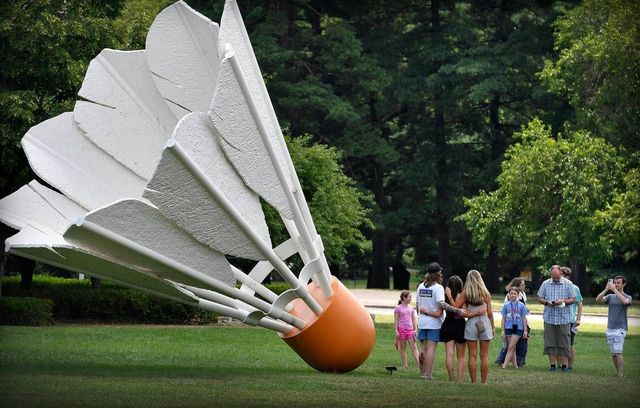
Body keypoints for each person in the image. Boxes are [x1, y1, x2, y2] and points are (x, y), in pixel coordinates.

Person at [451, 269, 494, 384]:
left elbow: (456, 307)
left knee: (472, 355)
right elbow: (490, 313)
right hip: (484, 322)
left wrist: (450, 297)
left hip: (471, 323)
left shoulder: (466, 293)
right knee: (484, 355)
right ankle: (483, 383)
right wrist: (493, 327)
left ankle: (473, 382)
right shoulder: (486, 293)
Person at [537, 265, 576, 372]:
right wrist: (547, 302)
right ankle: (552, 365)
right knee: (550, 342)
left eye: (557, 277)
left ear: (561, 274)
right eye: (553, 277)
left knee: (564, 342)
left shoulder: (568, 284)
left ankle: (564, 366)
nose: (555, 279)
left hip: (563, 318)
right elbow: (539, 297)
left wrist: (562, 301)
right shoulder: (545, 283)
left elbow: (573, 299)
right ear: (551, 275)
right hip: (549, 317)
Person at [596, 276, 632, 378]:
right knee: (613, 353)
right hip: (610, 328)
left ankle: (620, 374)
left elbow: (625, 302)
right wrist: (607, 289)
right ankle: (617, 373)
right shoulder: (611, 297)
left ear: (623, 284)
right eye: (615, 282)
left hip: (620, 328)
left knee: (618, 351)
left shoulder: (627, 297)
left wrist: (615, 290)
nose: (616, 284)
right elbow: (598, 299)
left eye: (618, 283)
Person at [416, 262, 445, 379]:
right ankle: (428, 374)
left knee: (423, 349)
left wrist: (424, 311)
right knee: (431, 348)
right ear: (438, 273)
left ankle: (422, 372)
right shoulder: (438, 288)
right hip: (434, 323)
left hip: (422, 322)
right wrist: (429, 312)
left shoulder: (420, 286)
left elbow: (418, 305)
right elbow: (439, 312)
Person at [495, 277, 529, 367]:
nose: (513, 295)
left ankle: (504, 365)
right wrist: (502, 330)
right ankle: (515, 366)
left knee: (510, 346)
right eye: (511, 294)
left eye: (515, 294)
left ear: (518, 295)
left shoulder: (521, 305)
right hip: (508, 327)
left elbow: (524, 318)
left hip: (517, 327)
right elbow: (503, 319)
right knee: (512, 347)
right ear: (509, 295)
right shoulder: (506, 305)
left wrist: (525, 331)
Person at [440, 275, 466, 382]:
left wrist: (449, 296)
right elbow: (463, 312)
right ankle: (459, 380)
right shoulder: (463, 296)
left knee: (449, 354)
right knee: (461, 356)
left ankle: (451, 379)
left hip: (448, 324)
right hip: (460, 325)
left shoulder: (445, 296)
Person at [560, 266, 583, 371]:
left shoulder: (574, 288)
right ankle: (560, 365)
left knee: (570, 344)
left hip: (570, 320)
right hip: (558, 319)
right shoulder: (556, 286)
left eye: (562, 275)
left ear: (567, 276)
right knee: (559, 343)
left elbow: (579, 304)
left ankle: (570, 366)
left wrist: (578, 319)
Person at [394, 290, 420, 368]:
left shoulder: (411, 308)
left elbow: (414, 319)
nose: (411, 299)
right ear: (404, 298)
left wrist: (415, 329)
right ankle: (405, 364)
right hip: (401, 330)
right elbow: (396, 320)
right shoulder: (398, 308)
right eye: (409, 297)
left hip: (410, 330)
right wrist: (396, 330)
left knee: (414, 347)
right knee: (403, 347)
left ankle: (419, 363)